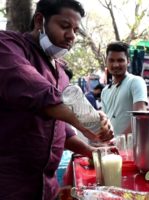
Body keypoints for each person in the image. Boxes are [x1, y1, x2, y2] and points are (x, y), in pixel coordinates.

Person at [0, 1, 113, 199]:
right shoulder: (8, 46)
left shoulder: (61, 73)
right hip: (10, 186)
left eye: (76, 30)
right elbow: (33, 88)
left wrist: (92, 151)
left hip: (47, 188)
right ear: (39, 21)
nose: (72, 36)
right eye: (64, 26)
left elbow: (61, 129)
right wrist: (87, 118)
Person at [101, 42, 148, 136]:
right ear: (106, 61)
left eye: (120, 60)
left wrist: (119, 141)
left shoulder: (135, 81)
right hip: (111, 146)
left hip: (131, 146)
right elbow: (105, 121)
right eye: (111, 60)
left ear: (128, 61)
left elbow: (140, 117)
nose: (115, 65)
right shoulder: (105, 91)